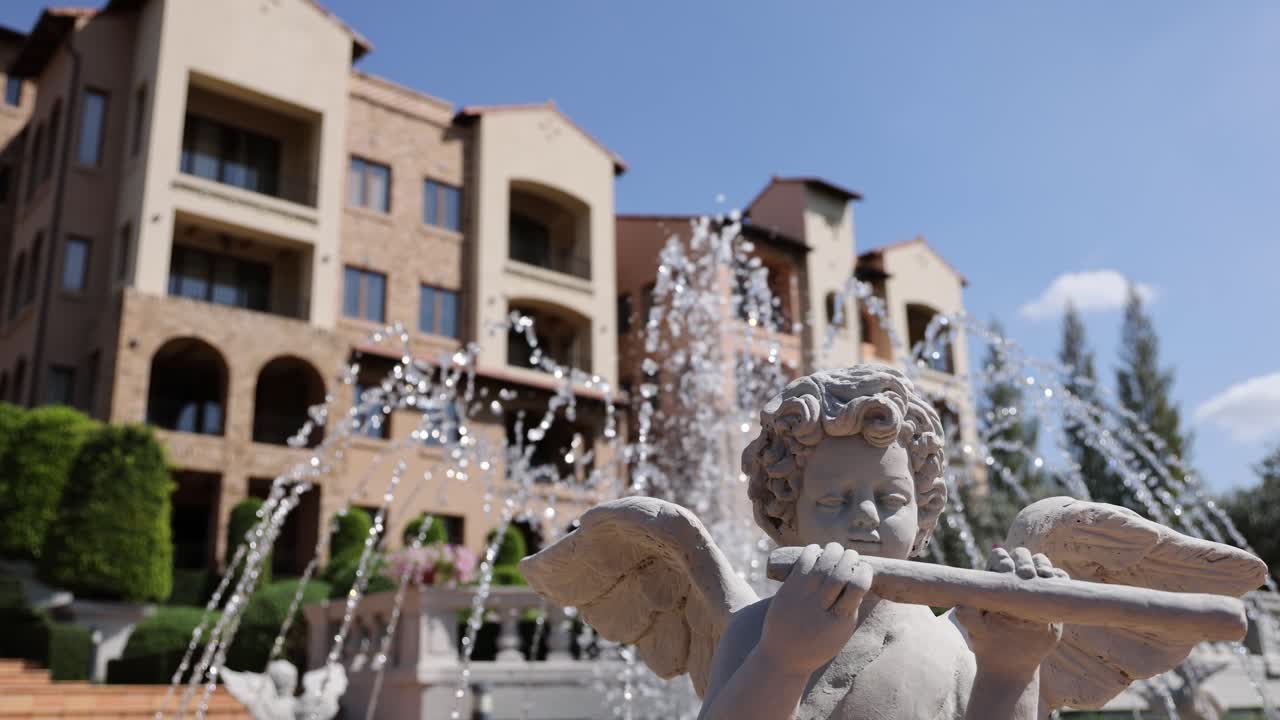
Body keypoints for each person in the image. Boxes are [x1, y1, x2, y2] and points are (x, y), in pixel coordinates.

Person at [698, 365, 1066, 720]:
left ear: (923, 512)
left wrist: (1011, 671)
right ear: (786, 517)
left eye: (891, 500)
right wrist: (781, 661)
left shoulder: (953, 647)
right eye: (832, 501)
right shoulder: (752, 632)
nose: (867, 516)